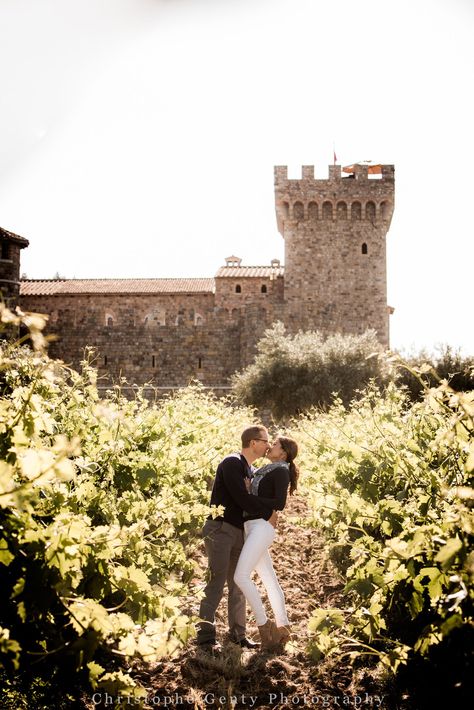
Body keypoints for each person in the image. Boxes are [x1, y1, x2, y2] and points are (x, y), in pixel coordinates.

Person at [196, 425, 279, 650]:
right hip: (221, 529)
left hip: (237, 531)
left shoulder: (249, 470)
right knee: (216, 581)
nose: (268, 445)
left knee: (239, 582)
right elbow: (241, 499)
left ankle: (238, 635)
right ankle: (205, 637)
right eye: (265, 441)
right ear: (253, 443)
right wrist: (269, 512)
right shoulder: (232, 462)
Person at [233, 436, 299, 651]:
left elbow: (278, 503)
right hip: (253, 525)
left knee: (240, 576)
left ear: (284, 453)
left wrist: (249, 496)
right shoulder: (267, 469)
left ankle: (265, 625)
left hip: (261, 526)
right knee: (269, 579)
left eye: (276, 445)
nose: (271, 446)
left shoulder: (280, 471)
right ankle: (283, 628)